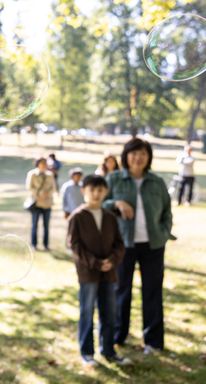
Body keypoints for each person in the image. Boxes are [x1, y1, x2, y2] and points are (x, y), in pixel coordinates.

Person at [102, 138, 173, 355]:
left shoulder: (157, 181)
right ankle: (118, 335)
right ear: (126, 156)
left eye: (143, 153)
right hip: (123, 244)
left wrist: (163, 232)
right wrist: (116, 203)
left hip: (153, 245)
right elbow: (98, 204)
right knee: (121, 290)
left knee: (152, 291)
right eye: (134, 153)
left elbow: (167, 212)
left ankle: (153, 341)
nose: (138, 158)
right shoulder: (113, 179)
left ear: (148, 157)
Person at [68, 175, 132, 367]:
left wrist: (111, 261)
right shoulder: (77, 217)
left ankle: (109, 350)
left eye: (100, 190)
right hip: (88, 274)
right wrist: (96, 263)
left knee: (109, 312)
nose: (96, 194)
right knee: (87, 311)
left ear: (106, 192)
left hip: (109, 273)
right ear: (84, 192)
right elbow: (74, 245)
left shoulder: (110, 217)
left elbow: (120, 244)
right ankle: (87, 352)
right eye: (91, 190)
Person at [26, 157, 56, 251]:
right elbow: (29, 187)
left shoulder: (50, 175)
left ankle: (45, 245)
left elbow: (53, 188)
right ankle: (34, 245)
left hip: (47, 203)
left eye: (45, 163)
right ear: (37, 164)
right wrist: (39, 194)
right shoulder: (32, 174)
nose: (43, 165)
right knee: (34, 225)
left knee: (46, 226)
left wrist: (46, 195)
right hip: (36, 203)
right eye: (41, 163)